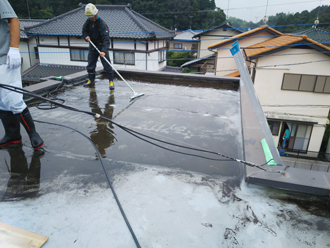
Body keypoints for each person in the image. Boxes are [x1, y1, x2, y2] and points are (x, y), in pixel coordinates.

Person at [0, 0, 44, 150]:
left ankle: (33, 134)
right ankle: (12, 136)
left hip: (5, 57)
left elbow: (13, 19)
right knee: (1, 101)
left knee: (13, 99)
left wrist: (13, 48)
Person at [82, 3, 115, 90]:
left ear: (96, 14)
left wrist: (104, 50)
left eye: (92, 16)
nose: (90, 18)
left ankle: (111, 81)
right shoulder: (88, 21)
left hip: (101, 47)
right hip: (93, 46)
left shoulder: (102, 24)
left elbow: (106, 39)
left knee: (107, 65)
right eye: (89, 16)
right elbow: (84, 31)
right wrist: (86, 37)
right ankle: (91, 80)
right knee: (90, 64)